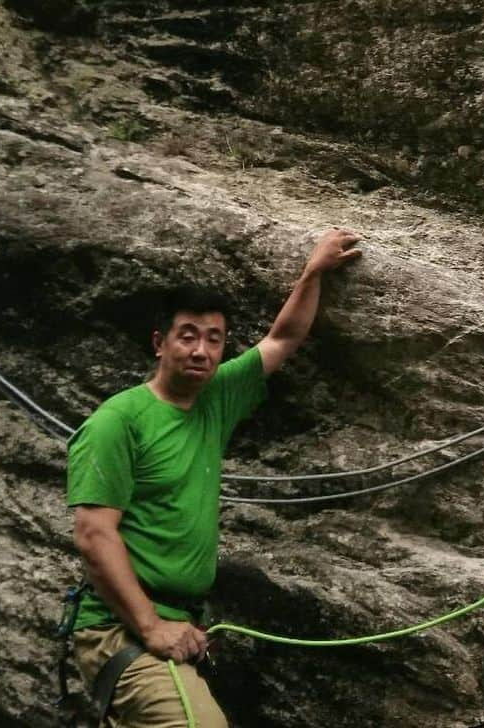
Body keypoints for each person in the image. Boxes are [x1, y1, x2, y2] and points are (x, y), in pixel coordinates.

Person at [66, 227, 361, 727]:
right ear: (160, 343)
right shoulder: (118, 421)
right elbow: (94, 534)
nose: (201, 350)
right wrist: (152, 625)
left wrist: (313, 273)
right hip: (123, 628)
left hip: (180, 622)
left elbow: (283, 338)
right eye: (187, 336)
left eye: (214, 339)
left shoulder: (215, 398)